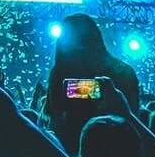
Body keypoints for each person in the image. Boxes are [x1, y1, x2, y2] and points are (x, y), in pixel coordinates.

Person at [49, 13, 144, 155]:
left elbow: (55, 116)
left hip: (74, 148)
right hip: (120, 147)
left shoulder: (60, 73)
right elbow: (134, 116)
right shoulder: (123, 72)